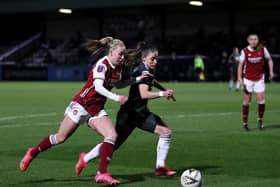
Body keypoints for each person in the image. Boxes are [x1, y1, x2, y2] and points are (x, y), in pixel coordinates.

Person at [19, 37, 148, 185]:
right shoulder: (102, 65)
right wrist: (117, 98)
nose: (122, 57)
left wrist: (138, 79)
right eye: (120, 54)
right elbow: (98, 86)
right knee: (60, 138)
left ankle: (102, 173)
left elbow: (118, 84)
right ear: (111, 52)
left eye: (123, 54)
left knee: (112, 136)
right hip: (82, 105)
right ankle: (32, 152)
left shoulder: (118, 68)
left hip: (96, 109)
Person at [75, 44, 176, 177]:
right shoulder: (141, 71)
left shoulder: (146, 69)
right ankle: (85, 158)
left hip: (139, 113)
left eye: (157, 58)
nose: (155, 61)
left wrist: (164, 89)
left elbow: (152, 80)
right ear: (144, 58)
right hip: (129, 114)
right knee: (113, 143)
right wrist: (163, 94)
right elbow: (143, 94)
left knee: (166, 132)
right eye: (153, 58)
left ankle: (160, 167)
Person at [237, 34, 274, 131]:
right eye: (251, 39)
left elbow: (270, 59)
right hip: (248, 79)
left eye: (255, 39)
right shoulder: (244, 51)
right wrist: (239, 78)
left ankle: (260, 120)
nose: (253, 41)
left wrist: (271, 71)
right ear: (248, 41)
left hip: (259, 79)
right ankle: (245, 123)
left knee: (261, 100)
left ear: (258, 40)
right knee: (246, 101)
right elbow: (240, 65)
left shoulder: (263, 49)